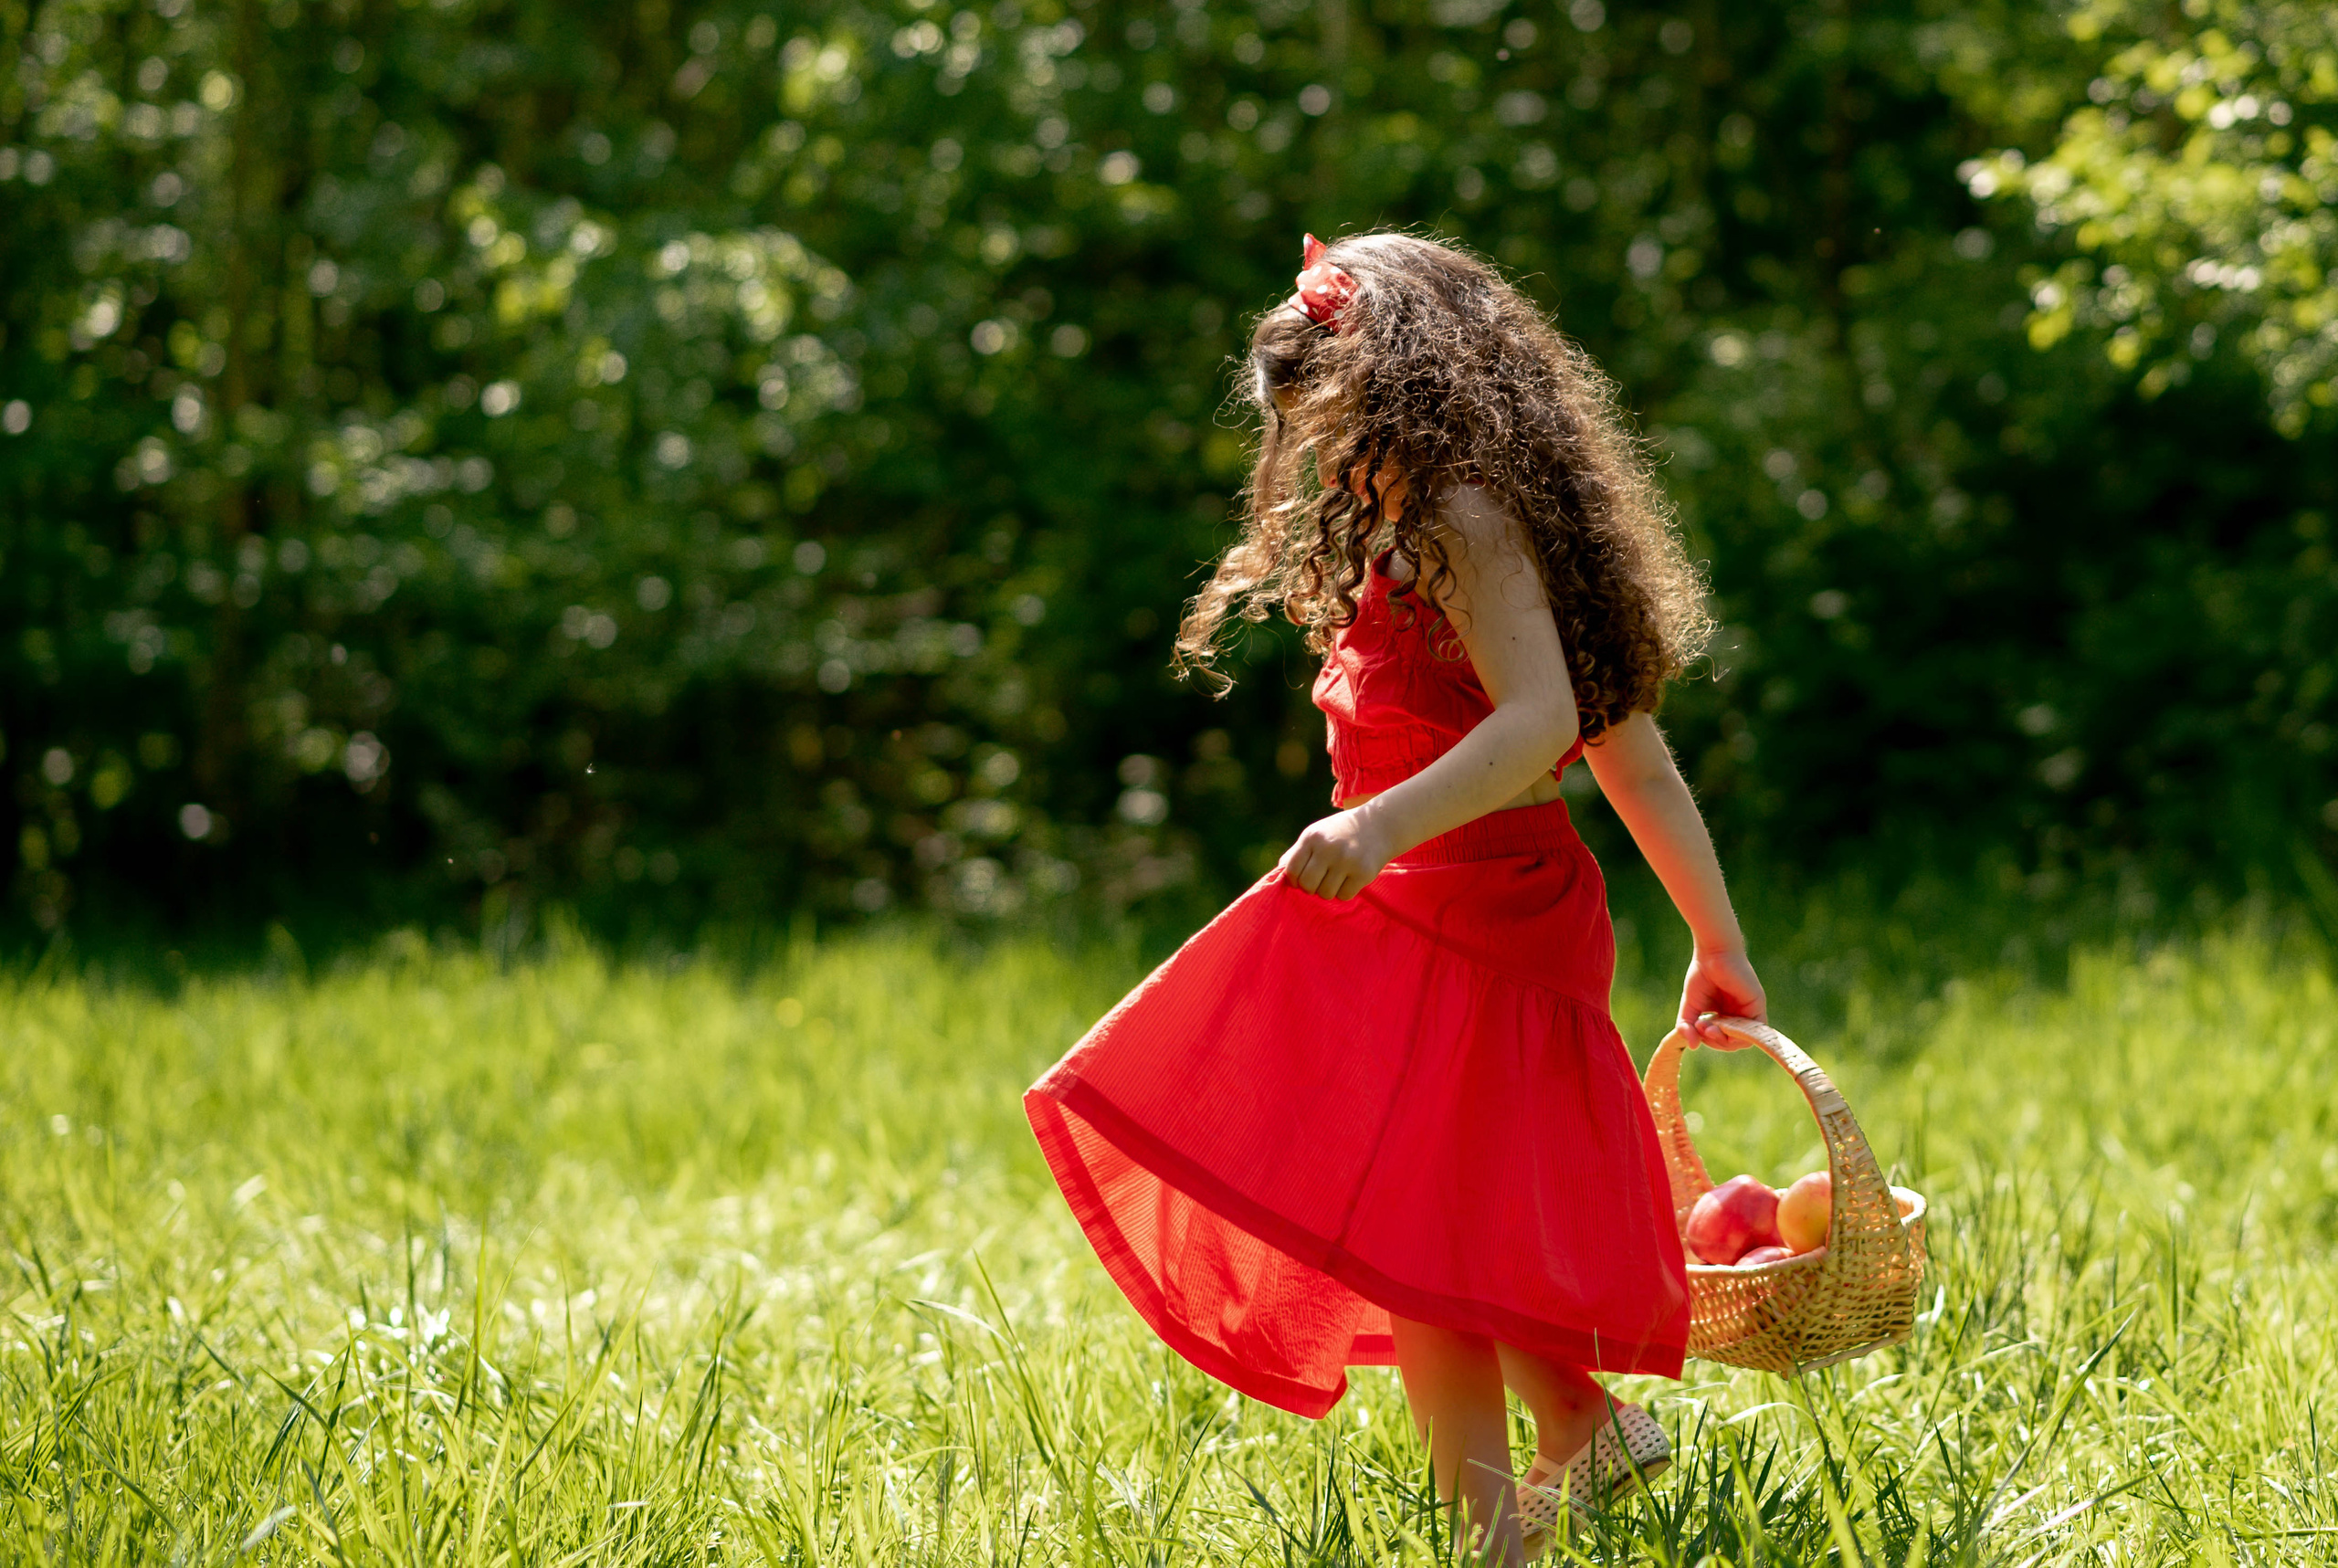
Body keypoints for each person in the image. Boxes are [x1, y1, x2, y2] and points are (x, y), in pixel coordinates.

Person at [1024, 231, 1766, 1563]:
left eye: (1327, 419)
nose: (1316, 455)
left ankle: (1499, 1532)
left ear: (1400, 388)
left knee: (1410, 1232)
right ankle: (1582, 1429)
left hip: (1475, 908)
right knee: (1437, 1217)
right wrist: (1715, 939)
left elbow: (1559, 724)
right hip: (1437, 905)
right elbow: (1632, 753)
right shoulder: (1435, 518)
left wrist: (1378, 823)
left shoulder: (1466, 518)